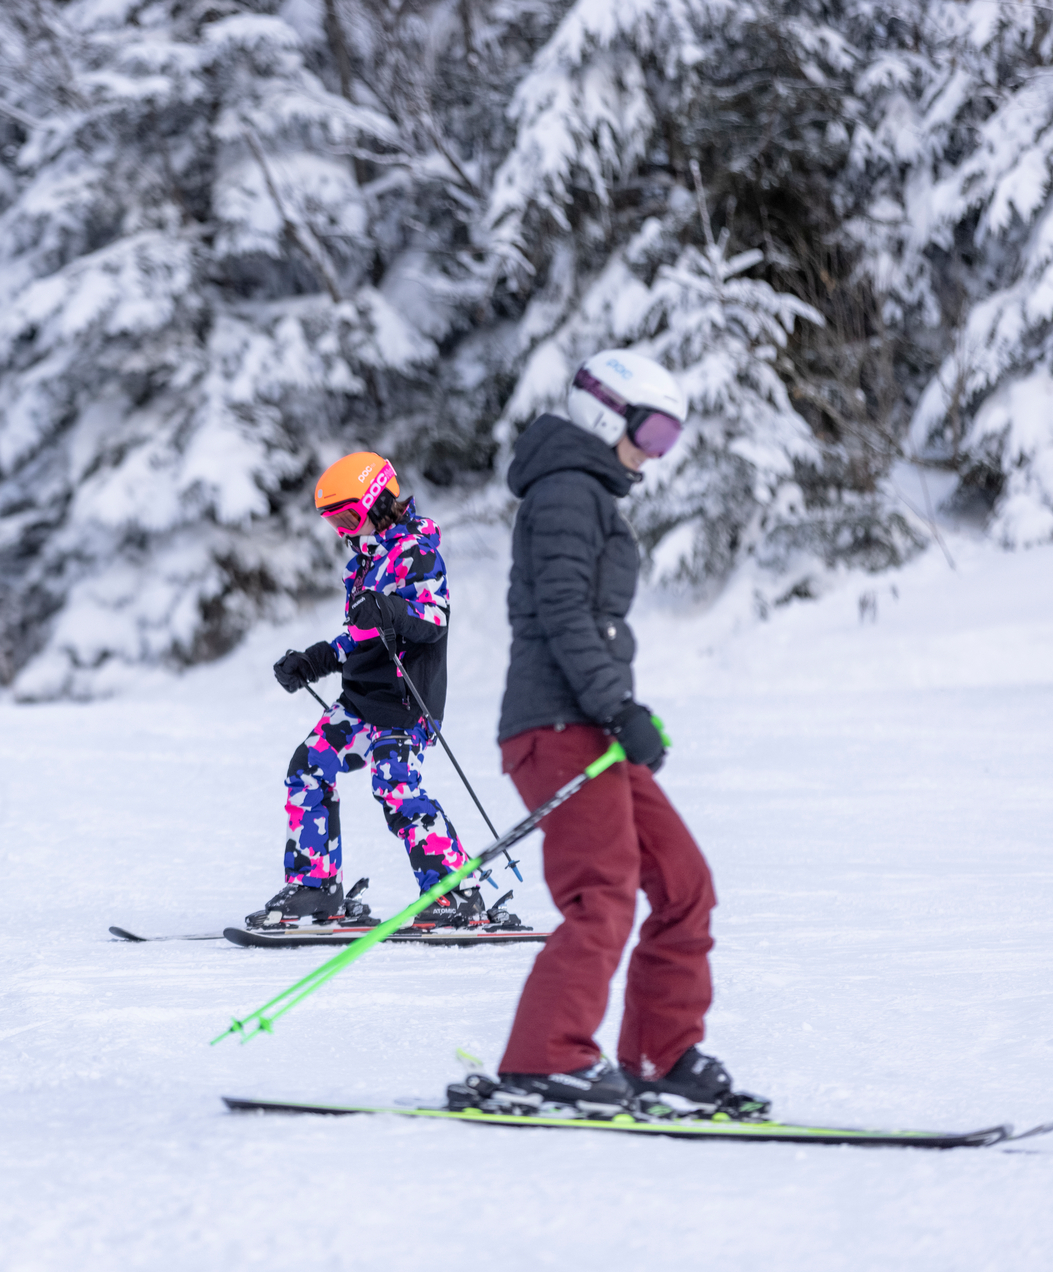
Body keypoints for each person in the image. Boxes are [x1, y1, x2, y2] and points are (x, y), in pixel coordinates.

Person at [478, 348, 762, 1118]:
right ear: (607, 413)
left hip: (591, 724)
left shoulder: (588, 491)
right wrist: (618, 708)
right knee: (603, 894)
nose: (657, 451)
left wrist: (620, 714)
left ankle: (658, 1057)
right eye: (654, 431)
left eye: (671, 437)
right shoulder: (568, 489)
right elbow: (567, 616)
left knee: (683, 883)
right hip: (556, 723)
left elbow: (587, 624)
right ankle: (543, 1064)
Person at [259, 451, 494, 933]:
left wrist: (388, 609)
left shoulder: (418, 553)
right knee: (308, 767)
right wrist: (314, 661)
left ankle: (458, 892)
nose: (343, 529)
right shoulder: (365, 562)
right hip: (361, 700)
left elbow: (432, 621)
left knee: (396, 788)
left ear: (377, 502)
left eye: (348, 516)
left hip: (407, 703)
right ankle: (316, 887)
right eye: (334, 521)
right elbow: (358, 636)